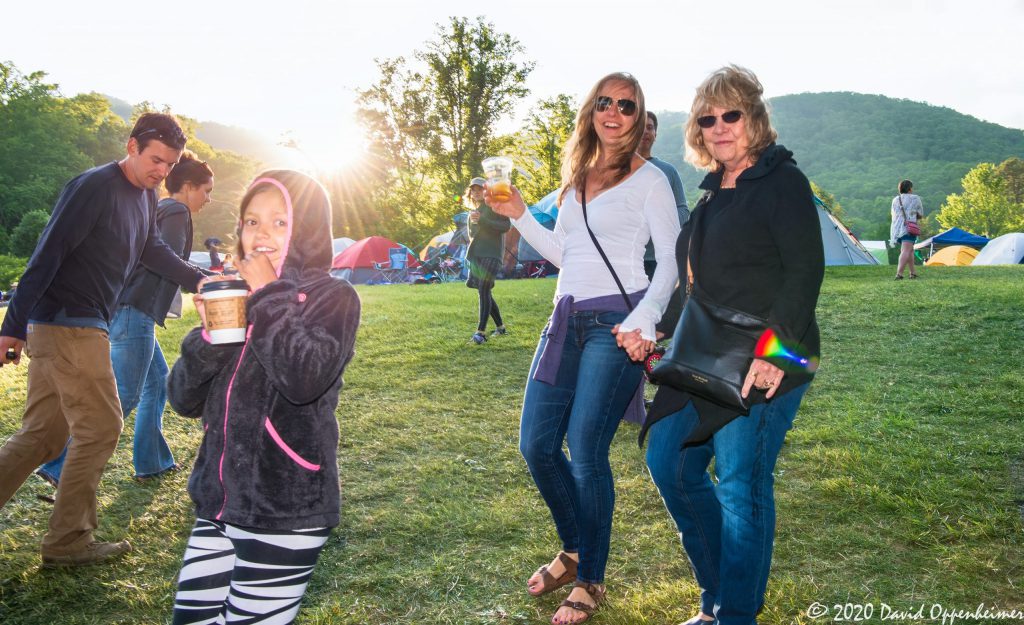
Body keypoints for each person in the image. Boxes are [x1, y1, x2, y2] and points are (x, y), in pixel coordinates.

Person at [488, 72, 679, 624]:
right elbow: (565, 252)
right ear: (591, 111)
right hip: (564, 317)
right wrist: (521, 215)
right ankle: (573, 550)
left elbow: (667, 262)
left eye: (626, 104)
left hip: (616, 324)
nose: (613, 111)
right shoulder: (575, 175)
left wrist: (644, 321)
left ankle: (590, 579)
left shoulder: (651, 180)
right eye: (604, 102)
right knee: (536, 445)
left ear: (639, 117)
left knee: (586, 450)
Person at [640, 65, 824, 625]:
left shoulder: (781, 181)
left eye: (731, 114)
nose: (719, 126)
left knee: (741, 482)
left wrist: (773, 354)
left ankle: (735, 614)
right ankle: (719, 593)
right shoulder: (711, 194)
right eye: (707, 118)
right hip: (706, 354)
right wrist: (656, 330)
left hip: (777, 353)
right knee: (668, 462)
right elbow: (703, 285)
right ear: (697, 129)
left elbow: (804, 272)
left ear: (754, 118)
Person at [0, 113, 206, 567]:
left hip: (73, 325)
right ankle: (68, 540)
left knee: (41, 437)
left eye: (169, 165)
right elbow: (47, 251)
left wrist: (199, 280)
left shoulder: (146, 197)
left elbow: (153, 250)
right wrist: (12, 325)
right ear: (131, 146)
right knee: (101, 427)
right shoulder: (94, 186)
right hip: (70, 323)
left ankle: (65, 539)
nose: (161, 172)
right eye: (155, 160)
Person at [168, 170, 360, 624]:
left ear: (307, 229)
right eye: (251, 222)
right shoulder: (236, 296)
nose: (262, 234)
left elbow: (303, 379)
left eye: (279, 221)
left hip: (285, 510)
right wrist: (212, 336)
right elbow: (182, 399)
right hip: (216, 503)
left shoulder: (334, 298)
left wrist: (269, 293)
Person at [36, 152, 215, 485]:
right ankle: (59, 465)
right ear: (188, 187)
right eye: (206, 191)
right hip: (136, 311)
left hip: (126, 309)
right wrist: (209, 278)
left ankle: (153, 462)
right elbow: (165, 260)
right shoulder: (175, 211)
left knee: (157, 384)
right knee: (125, 395)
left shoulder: (157, 207)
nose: (208, 199)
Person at [639, 110, 689, 277]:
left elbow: (683, 211)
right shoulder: (616, 171)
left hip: (660, 260)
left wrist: (659, 220)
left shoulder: (668, 171)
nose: (645, 131)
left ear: (655, 134)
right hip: (624, 260)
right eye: (640, 127)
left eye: (650, 127)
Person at [465, 176, 511, 344]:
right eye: (473, 190)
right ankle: (500, 328)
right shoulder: (472, 212)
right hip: (477, 257)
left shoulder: (494, 206)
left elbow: (506, 226)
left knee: (484, 290)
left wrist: (483, 220)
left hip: (492, 254)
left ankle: (481, 333)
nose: (476, 192)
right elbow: (472, 236)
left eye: (480, 189)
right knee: (484, 291)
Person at [891, 179, 924, 279]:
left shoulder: (895, 199)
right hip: (909, 228)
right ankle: (899, 274)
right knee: (906, 250)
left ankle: (912, 273)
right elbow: (920, 214)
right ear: (910, 188)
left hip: (897, 228)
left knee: (910, 250)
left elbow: (893, 214)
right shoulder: (915, 198)